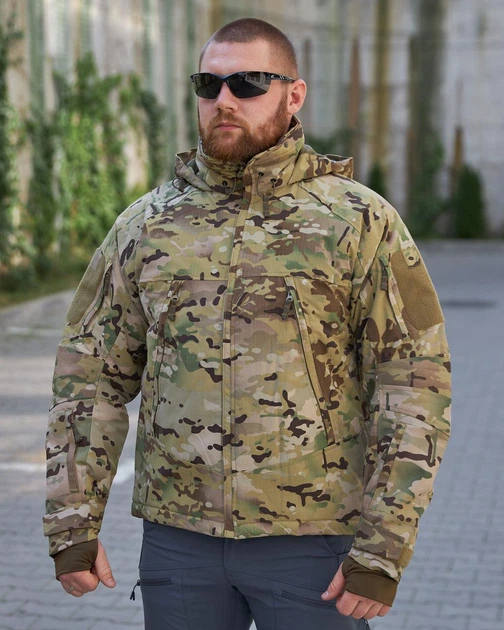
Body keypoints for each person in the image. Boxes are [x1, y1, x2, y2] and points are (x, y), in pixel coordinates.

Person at [44, 17, 451, 630]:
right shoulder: (146, 225)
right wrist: (73, 524)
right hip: (180, 542)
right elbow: (89, 378)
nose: (225, 100)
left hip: (313, 543)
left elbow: (414, 382)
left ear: (294, 94)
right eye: (208, 85)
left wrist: (383, 549)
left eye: (249, 83)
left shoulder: (359, 222)